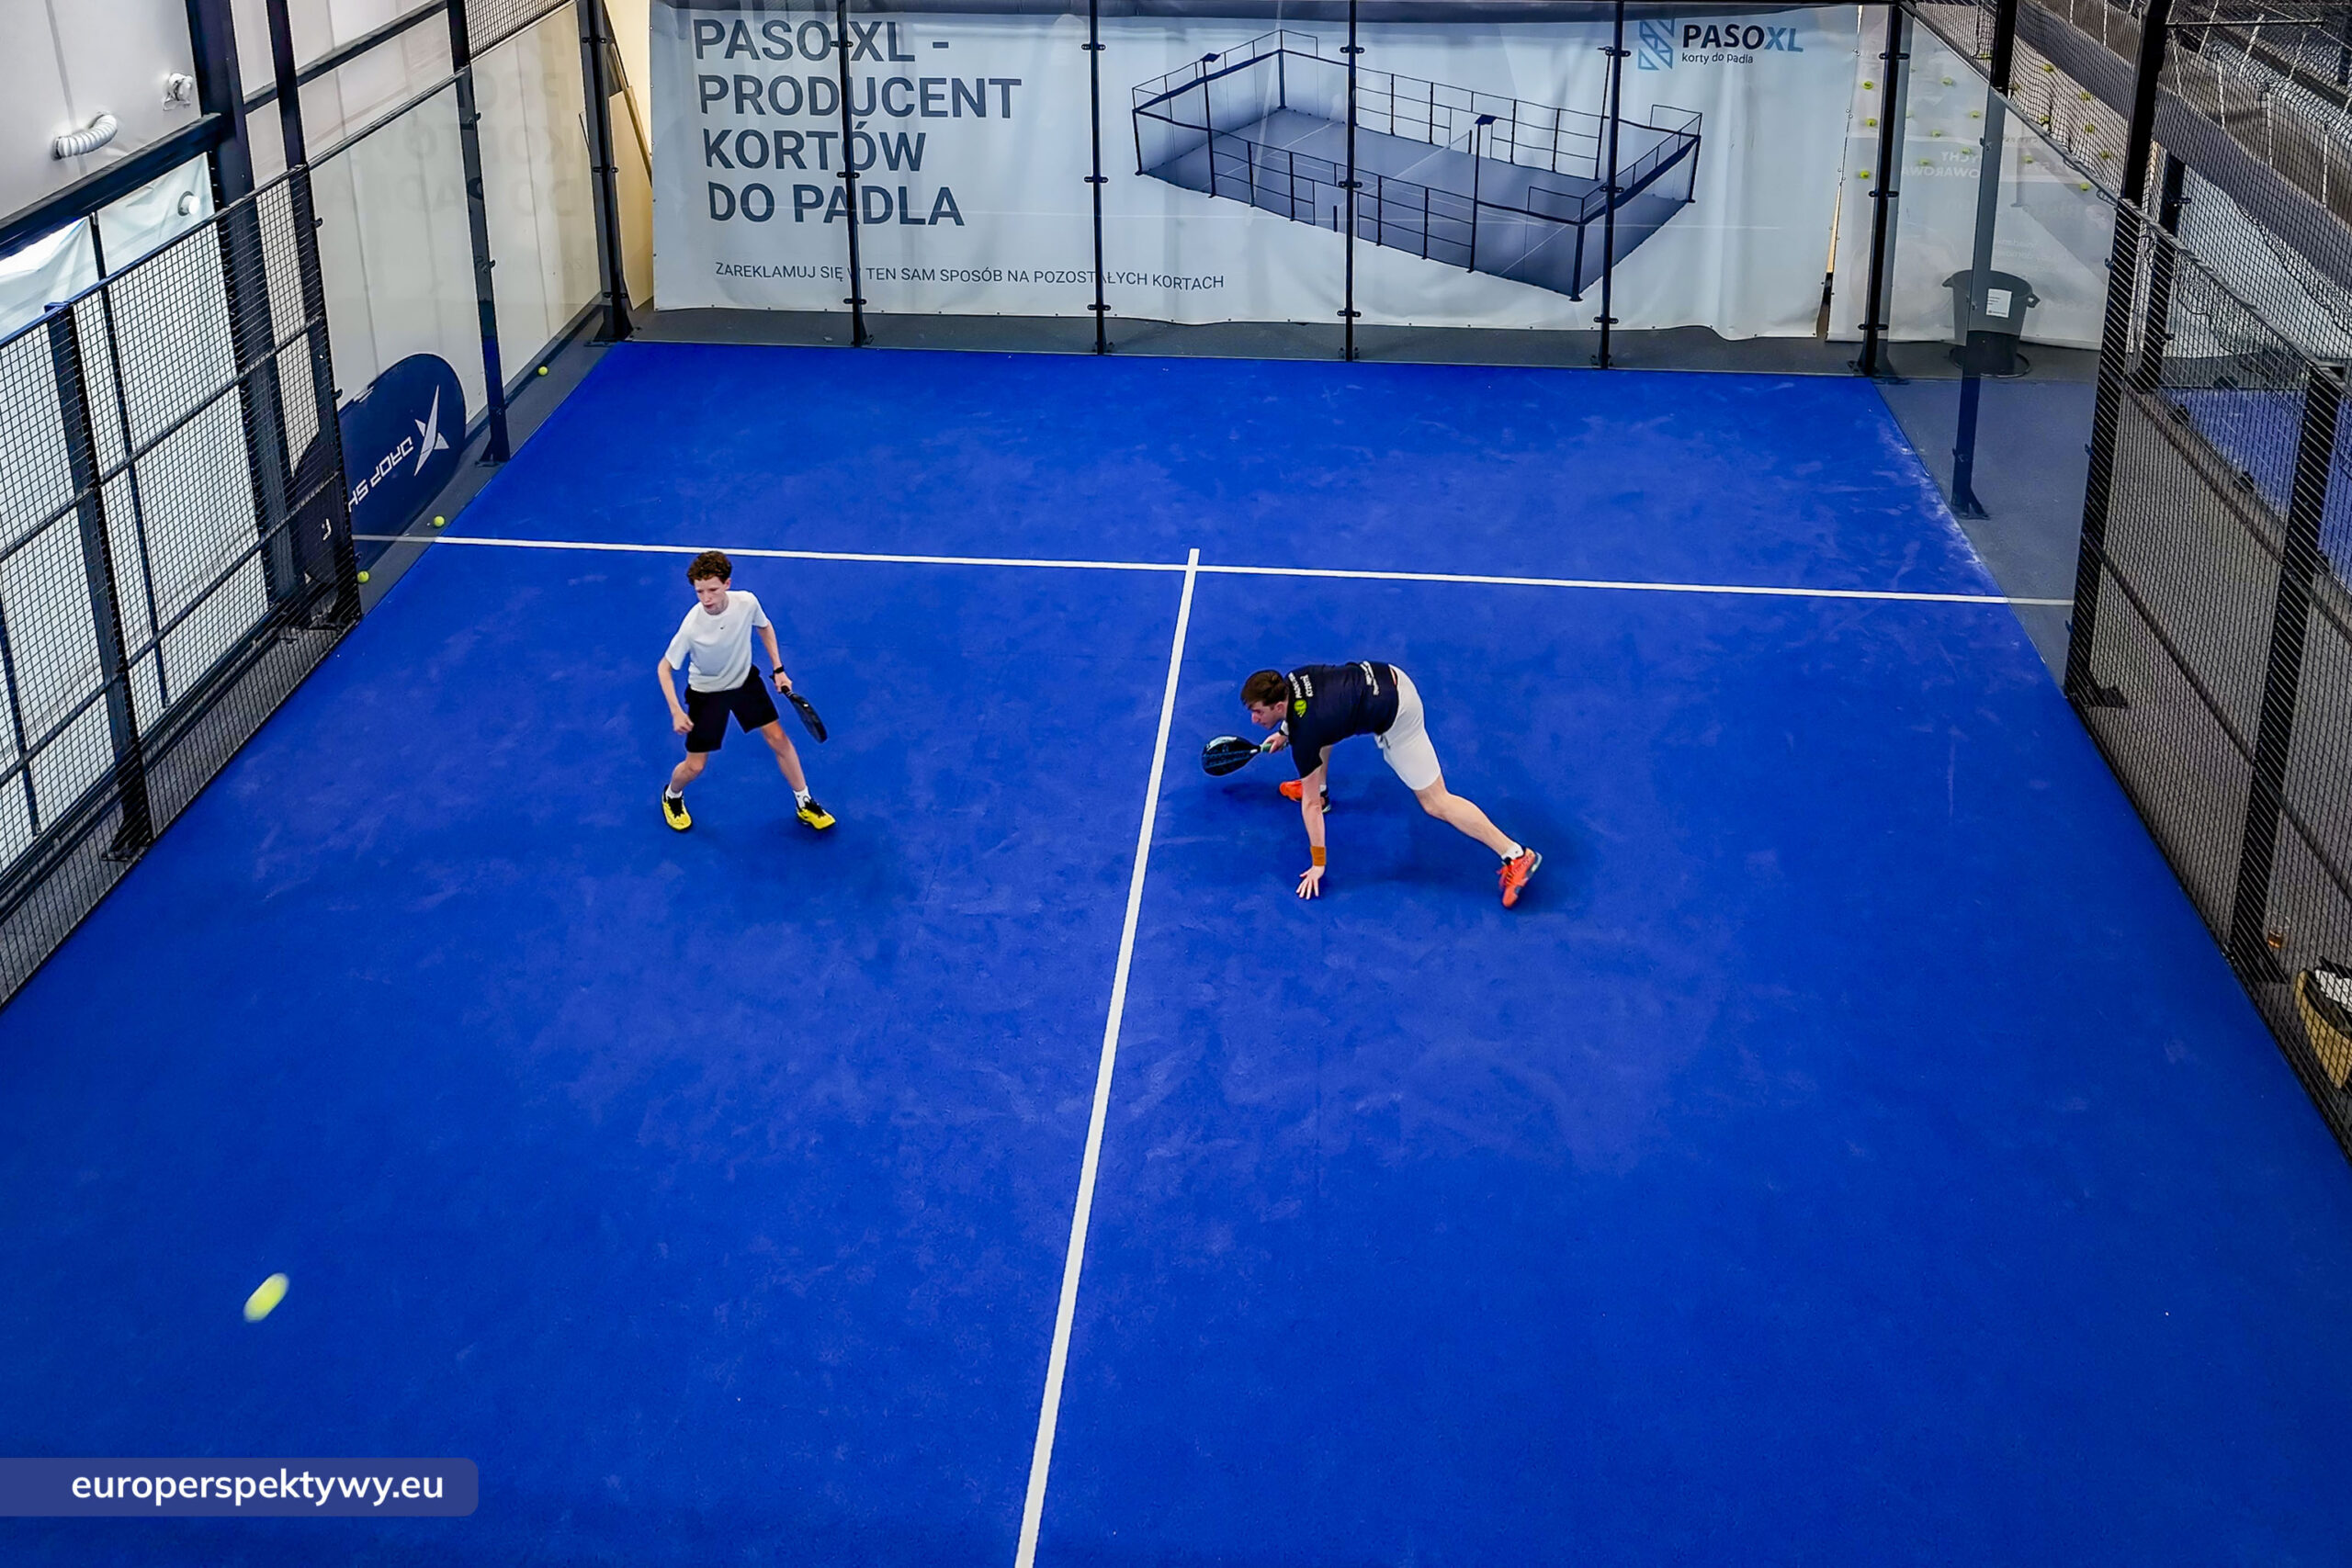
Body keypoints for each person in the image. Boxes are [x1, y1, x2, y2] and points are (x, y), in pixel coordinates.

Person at [1241, 662, 1537, 905]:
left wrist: (1319, 863)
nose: (1254, 720)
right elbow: (1307, 712)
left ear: (1278, 705)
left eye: (1258, 712)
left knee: (1436, 802)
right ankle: (1322, 790)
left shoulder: (1306, 734)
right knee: (1321, 734)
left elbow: (1309, 808)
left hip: (1399, 714)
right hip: (1390, 676)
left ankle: (1515, 855)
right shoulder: (1296, 678)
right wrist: (1285, 732)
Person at [658, 550, 833, 832]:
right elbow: (664, 668)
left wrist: (778, 668)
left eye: (713, 590)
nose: (706, 599)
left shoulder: (747, 602)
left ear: (727, 583)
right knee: (695, 767)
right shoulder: (692, 626)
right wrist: (677, 711)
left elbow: (764, 627)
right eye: (700, 591)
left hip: (743, 681)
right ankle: (672, 795)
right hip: (707, 693)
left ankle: (805, 802)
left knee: (779, 739)